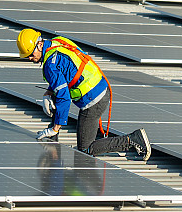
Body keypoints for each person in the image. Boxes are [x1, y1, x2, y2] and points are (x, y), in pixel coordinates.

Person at [16, 28, 152, 161]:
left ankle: (132, 140)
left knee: (85, 149)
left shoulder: (49, 67)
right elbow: (66, 68)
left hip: (93, 100)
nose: (29, 58)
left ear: (39, 44)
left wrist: (55, 128)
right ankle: (53, 138)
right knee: (55, 96)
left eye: (31, 54)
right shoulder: (57, 41)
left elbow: (64, 98)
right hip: (100, 86)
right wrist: (49, 92)